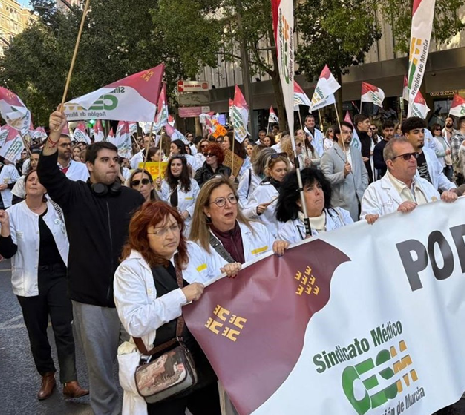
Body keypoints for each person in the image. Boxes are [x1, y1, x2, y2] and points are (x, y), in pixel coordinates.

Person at [38, 107, 146, 415]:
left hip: (132, 299)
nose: (112, 165)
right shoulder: (74, 195)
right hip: (91, 300)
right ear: (89, 166)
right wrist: (54, 134)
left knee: (138, 365)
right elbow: (46, 174)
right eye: (104, 160)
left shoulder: (133, 199)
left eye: (115, 161)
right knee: (101, 373)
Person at [114, 201, 222, 415]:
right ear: (144, 235)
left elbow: (214, 281)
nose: (171, 235)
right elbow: (135, 323)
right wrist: (180, 296)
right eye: (160, 230)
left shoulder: (188, 253)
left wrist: (227, 272)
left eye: (174, 227)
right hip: (163, 367)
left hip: (201, 359)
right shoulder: (129, 271)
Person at [0, 170, 90, 401]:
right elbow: (7, 251)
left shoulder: (57, 209)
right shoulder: (13, 213)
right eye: (30, 179)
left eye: (39, 179)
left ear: (47, 187)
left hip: (59, 276)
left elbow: (71, 240)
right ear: (24, 185)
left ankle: (70, 380)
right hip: (29, 278)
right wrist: (5, 226)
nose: (34, 182)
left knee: (63, 328)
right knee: (37, 332)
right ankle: (47, 374)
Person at [189, 178, 290, 279]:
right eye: (220, 201)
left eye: (232, 198)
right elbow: (200, 288)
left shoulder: (258, 230)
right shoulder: (197, 248)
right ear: (206, 211)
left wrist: (281, 249)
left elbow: (278, 268)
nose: (228, 205)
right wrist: (222, 278)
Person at [361, 139, 465, 224]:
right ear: (390, 164)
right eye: (406, 156)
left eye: (414, 155)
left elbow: (441, 218)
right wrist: (396, 216)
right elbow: (369, 232)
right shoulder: (374, 192)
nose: (413, 159)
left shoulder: (426, 185)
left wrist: (450, 202)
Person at [275, 168, 353, 244]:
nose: (318, 192)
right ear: (298, 200)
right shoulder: (288, 232)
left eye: (319, 186)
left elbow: (355, 239)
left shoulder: (341, 215)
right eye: (309, 189)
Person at [320, 122, 368, 221]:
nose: (349, 135)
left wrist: (363, 187)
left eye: (350, 132)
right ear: (337, 135)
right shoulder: (329, 155)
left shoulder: (356, 151)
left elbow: (363, 172)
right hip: (342, 204)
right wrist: (343, 174)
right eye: (345, 132)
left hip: (361, 199)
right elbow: (325, 179)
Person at [401, 117, 456, 194]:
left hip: (432, 200)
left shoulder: (430, 153)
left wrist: (451, 188)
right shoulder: (401, 158)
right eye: (416, 132)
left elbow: (438, 175)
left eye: (423, 131)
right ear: (407, 135)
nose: (421, 135)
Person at [244, 153, 290, 230]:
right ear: (270, 171)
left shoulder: (290, 187)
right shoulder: (262, 189)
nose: (283, 173)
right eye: (279, 170)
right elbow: (245, 213)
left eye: (285, 169)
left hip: (289, 234)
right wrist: (256, 209)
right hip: (271, 234)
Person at [161, 155, 200, 236]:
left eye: (178, 165)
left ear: (183, 167)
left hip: (189, 224)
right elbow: (162, 201)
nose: (175, 167)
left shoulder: (193, 184)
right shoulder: (165, 183)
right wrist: (158, 189)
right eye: (173, 164)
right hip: (171, 223)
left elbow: (198, 201)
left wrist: (188, 212)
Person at [353, 114, 374, 181]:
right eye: (367, 122)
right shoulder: (353, 137)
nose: (369, 124)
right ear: (359, 124)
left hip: (367, 169)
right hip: (355, 170)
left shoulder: (367, 137)